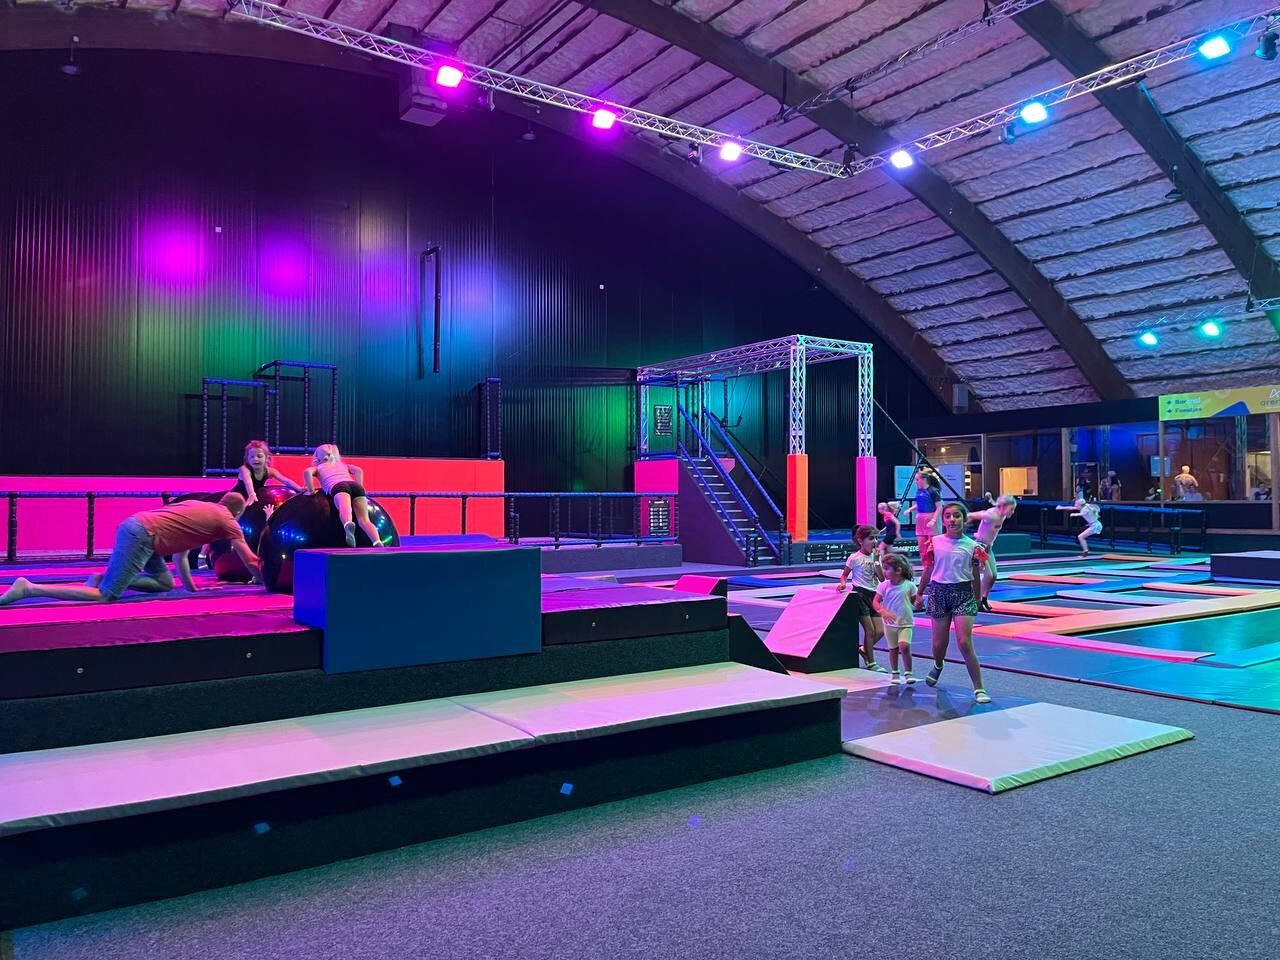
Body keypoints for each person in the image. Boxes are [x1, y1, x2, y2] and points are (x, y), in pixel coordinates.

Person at [0, 493, 257, 606]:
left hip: (140, 529)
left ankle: (104, 578)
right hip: (142, 536)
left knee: (164, 583)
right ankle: (29, 588)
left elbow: (180, 556)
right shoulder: (228, 521)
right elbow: (249, 559)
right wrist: (263, 582)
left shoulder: (202, 508)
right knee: (106, 596)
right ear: (238, 512)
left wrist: (191, 590)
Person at [922, 502, 991, 704]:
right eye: (948, 516)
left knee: (964, 642)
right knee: (938, 644)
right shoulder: (934, 542)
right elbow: (928, 569)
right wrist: (918, 592)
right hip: (938, 591)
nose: (952, 519)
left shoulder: (973, 546)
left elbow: (976, 575)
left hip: (963, 593)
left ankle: (979, 688)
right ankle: (938, 664)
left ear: (964, 519)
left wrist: (978, 599)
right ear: (943, 520)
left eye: (956, 515)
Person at [303, 443, 381, 548]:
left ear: (317, 457)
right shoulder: (343, 465)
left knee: (345, 508)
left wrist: (311, 490)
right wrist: (360, 485)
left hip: (338, 486)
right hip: (355, 486)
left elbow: (307, 472)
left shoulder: (318, 467)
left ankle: (347, 523)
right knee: (365, 520)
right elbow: (358, 470)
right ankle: (377, 541)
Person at [836, 525, 886, 672]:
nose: (875, 541)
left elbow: (882, 578)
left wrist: (876, 560)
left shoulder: (876, 557)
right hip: (860, 595)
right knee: (870, 631)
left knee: (880, 631)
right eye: (871, 538)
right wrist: (843, 583)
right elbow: (844, 575)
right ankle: (871, 662)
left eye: (876, 538)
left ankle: (864, 649)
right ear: (860, 541)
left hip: (874, 596)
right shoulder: (854, 558)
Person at [966, 494, 1017, 611]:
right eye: (1012, 509)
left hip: (989, 547)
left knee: (993, 576)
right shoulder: (991, 515)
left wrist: (991, 499)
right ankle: (977, 600)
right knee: (988, 575)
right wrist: (964, 521)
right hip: (980, 546)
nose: (1013, 512)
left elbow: (996, 504)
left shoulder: (1002, 514)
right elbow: (972, 515)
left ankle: (984, 598)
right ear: (1003, 507)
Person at [873, 553, 917, 686]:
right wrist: (883, 612)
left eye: (887, 569)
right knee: (893, 649)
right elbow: (876, 602)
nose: (884, 572)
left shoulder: (909, 585)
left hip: (905, 623)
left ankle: (908, 672)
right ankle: (895, 672)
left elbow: (914, 602)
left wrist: (919, 604)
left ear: (898, 570)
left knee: (904, 645)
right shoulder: (884, 586)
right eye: (884, 568)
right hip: (889, 624)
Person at [901, 471, 942, 610]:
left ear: (924, 479)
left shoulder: (933, 491)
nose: (916, 481)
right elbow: (920, 504)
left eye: (917, 479)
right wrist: (910, 509)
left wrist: (934, 520)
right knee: (924, 554)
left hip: (930, 520)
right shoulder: (919, 491)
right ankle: (927, 568)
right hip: (921, 520)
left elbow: (939, 507)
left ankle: (932, 574)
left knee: (932, 553)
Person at [233, 440, 303, 507]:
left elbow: (286, 481)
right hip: (236, 497)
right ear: (247, 459)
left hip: (253, 497)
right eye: (252, 457)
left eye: (259, 456)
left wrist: (299, 488)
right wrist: (251, 493)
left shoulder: (270, 471)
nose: (255, 459)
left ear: (267, 458)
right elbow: (248, 482)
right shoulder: (245, 469)